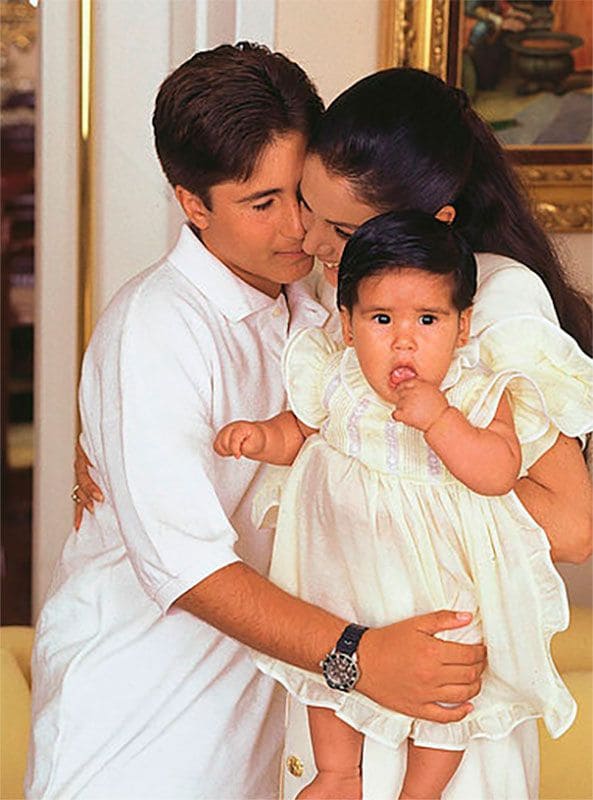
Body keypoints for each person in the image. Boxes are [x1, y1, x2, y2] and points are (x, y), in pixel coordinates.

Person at [71, 63, 591, 798]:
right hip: (240, 698)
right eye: (275, 203)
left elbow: (571, 526)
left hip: (429, 675)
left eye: (326, 218)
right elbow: (197, 539)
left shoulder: (475, 296)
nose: (305, 235)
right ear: (193, 204)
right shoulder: (292, 298)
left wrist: (413, 452)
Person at [215, 210, 590, 800]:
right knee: (327, 672)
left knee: (450, 681)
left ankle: (421, 791)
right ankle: (337, 773)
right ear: (347, 325)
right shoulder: (340, 378)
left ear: (463, 327)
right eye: (381, 319)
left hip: (433, 581)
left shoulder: (475, 390)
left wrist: (441, 421)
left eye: (428, 319)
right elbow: (305, 429)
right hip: (345, 574)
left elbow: (496, 471)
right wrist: (262, 438)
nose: (404, 339)